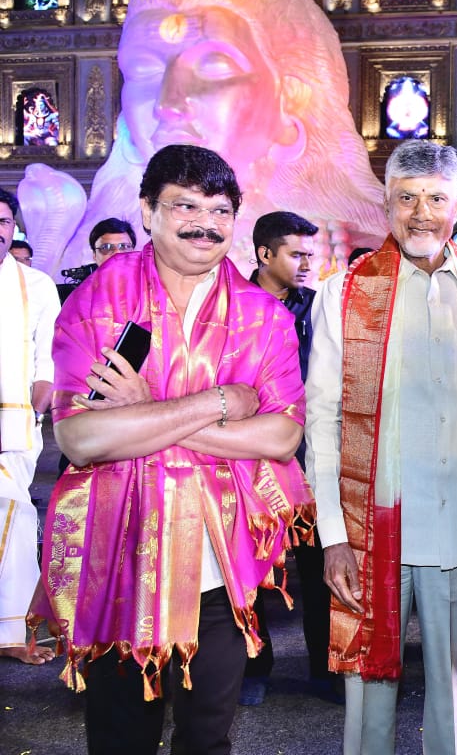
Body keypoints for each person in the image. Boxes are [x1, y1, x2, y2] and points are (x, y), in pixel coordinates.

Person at [30, 145, 312, 755]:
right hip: (118, 554)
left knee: (207, 737)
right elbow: (81, 438)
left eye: (220, 210)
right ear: (148, 211)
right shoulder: (101, 300)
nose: (205, 224)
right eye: (186, 206)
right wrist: (219, 402)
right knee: (120, 737)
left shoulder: (262, 316)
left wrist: (143, 411)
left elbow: (282, 436)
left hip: (220, 563)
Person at [306, 140, 457, 754]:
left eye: (436, 198)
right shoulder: (344, 293)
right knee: (368, 701)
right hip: (372, 529)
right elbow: (323, 420)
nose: (420, 214)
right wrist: (333, 536)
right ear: (385, 204)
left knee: (455, 698)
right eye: (406, 198)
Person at [52, 0, 388, 274]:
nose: (168, 104)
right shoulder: (101, 250)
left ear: (290, 100)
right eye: (145, 70)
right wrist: (48, 243)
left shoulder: (364, 261)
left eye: (213, 67)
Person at [240, 210, 338, 706]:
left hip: (310, 455)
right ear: (264, 254)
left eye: (310, 255)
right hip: (251, 455)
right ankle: (255, 666)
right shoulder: (233, 307)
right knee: (251, 566)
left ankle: (325, 668)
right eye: (296, 255)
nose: (306, 264)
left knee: (321, 566)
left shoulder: (317, 308)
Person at [0, 187, 59, 665]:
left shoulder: (35, 284)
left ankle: (12, 631)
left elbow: (48, 354)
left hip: (13, 422)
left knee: (14, 521)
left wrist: (39, 402)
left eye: (3, 222)